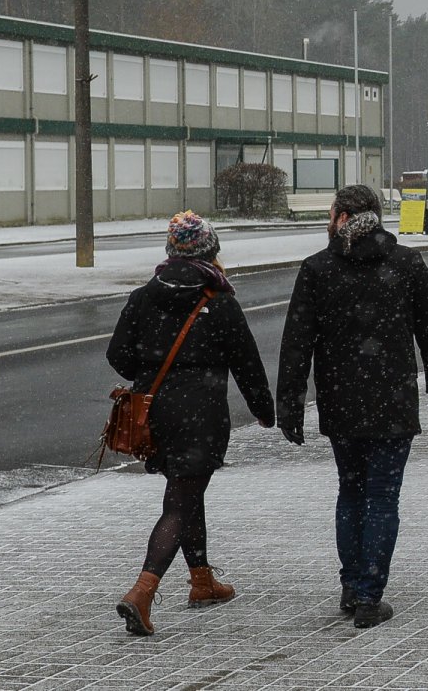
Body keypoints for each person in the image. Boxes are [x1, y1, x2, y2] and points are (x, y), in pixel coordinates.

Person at [277, 184, 428, 629]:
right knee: (382, 496)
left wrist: (292, 402)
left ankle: (353, 585)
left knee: (350, 491)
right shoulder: (406, 263)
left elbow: (297, 341)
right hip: (391, 400)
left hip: (340, 400)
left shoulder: (318, 268)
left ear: (340, 217)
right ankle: (371, 595)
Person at [108, 211, 275, 637]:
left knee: (185, 490)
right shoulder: (217, 300)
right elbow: (247, 361)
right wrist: (263, 408)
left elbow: (118, 356)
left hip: (156, 413)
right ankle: (142, 592)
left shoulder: (144, 295)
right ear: (211, 251)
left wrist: (149, 369)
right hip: (200, 412)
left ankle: (202, 581)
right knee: (180, 502)